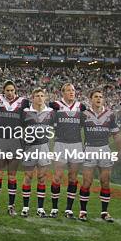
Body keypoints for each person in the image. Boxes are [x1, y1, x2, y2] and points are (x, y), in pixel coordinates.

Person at [78, 88, 121, 222]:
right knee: (87, 182)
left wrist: (120, 151)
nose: (98, 99)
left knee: (105, 182)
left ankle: (104, 212)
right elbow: (75, 132)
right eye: (96, 96)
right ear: (91, 99)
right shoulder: (84, 114)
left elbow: (116, 134)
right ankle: (83, 211)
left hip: (104, 150)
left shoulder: (110, 114)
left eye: (101, 97)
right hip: (89, 149)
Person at [0, 80, 30, 216]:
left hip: (15, 141)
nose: (10, 93)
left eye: (12, 90)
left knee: (12, 176)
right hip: (0, 141)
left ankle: (11, 206)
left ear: (15, 91)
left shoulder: (23, 102)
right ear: (3, 91)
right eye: (7, 90)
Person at [49, 83, 87, 218]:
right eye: (69, 90)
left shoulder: (81, 107)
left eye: (73, 90)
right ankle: (54, 208)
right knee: (57, 176)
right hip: (60, 144)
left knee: (73, 177)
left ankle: (69, 209)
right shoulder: (55, 105)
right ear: (63, 93)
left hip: (76, 145)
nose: (72, 92)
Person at [20, 88, 55, 218]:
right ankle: (25, 207)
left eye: (42, 95)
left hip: (44, 147)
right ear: (32, 98)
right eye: (37, 96)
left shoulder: (51, 112)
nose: (40, 98)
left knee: (41, 177)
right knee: (28, 177)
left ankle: (40, 208)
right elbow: (19, 129)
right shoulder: (25, 112)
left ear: (45, 98)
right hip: (30, 148)